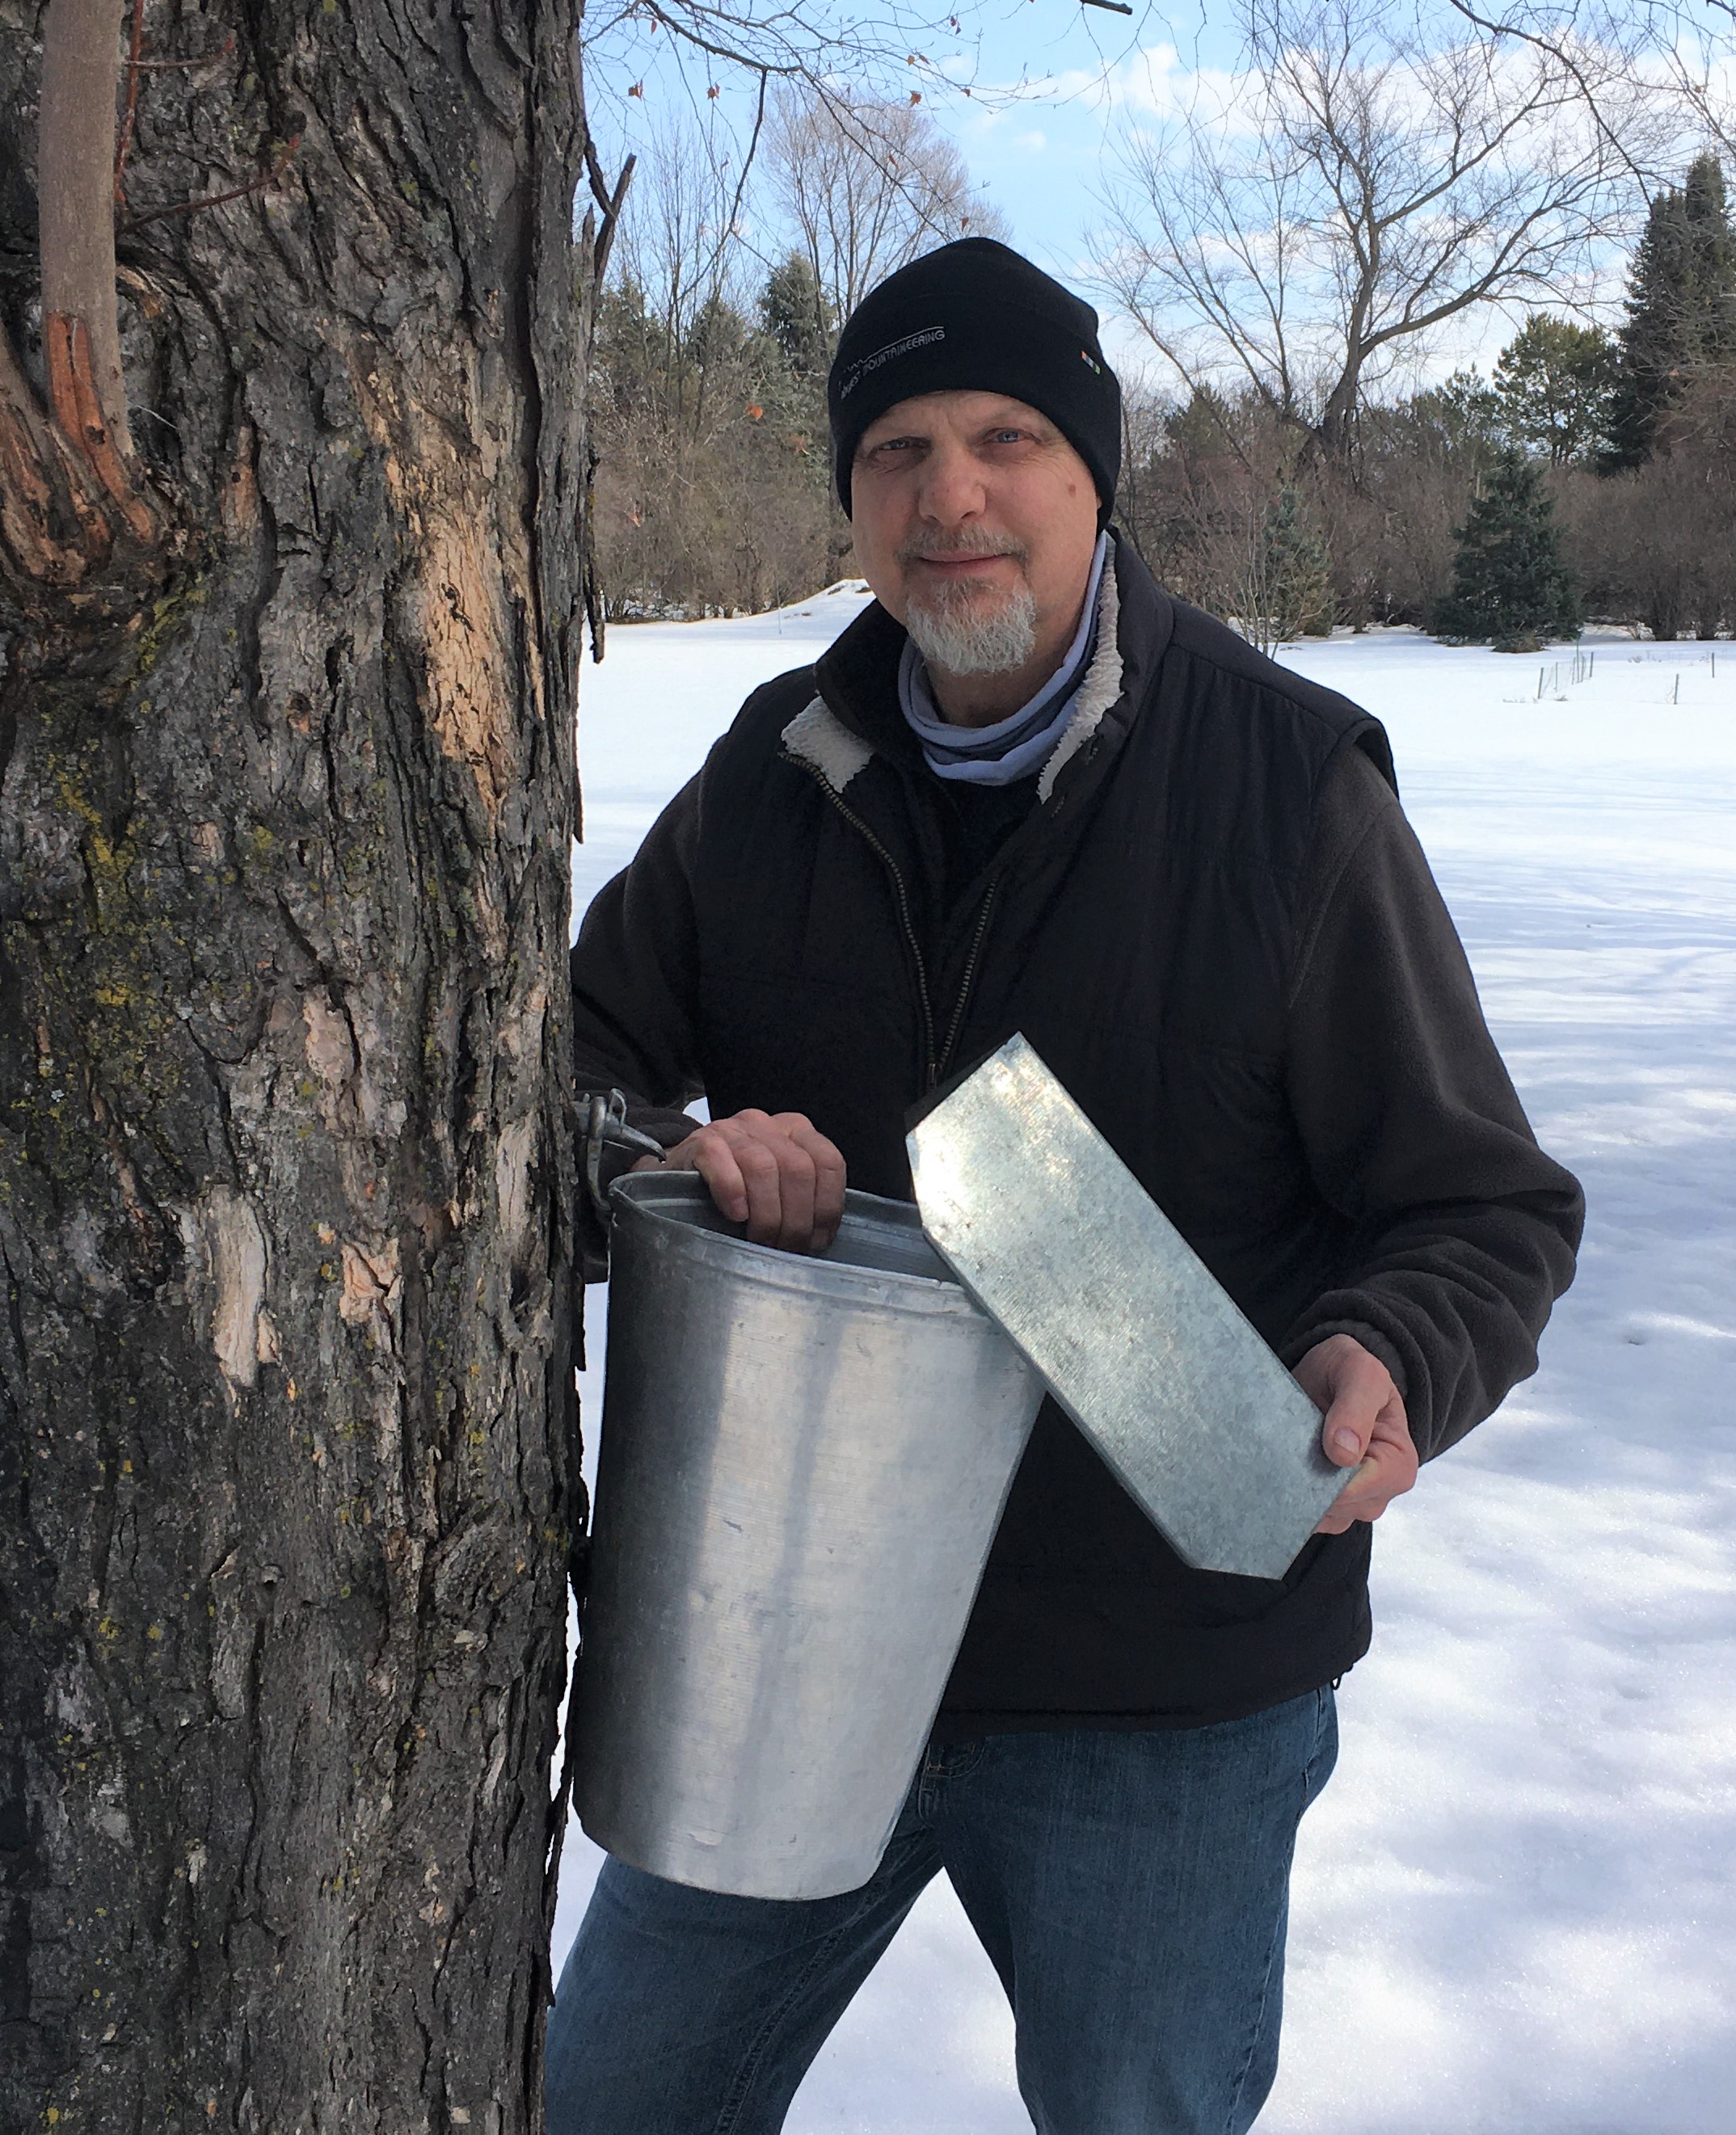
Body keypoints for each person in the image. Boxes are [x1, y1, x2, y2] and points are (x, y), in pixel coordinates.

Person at [548, 238, 1583, 2134]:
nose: (948, 494)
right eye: (896, 450)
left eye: (1005, 439)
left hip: (1159, 1682)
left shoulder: (1284, 786)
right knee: (601, 2106)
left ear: (1094, 476)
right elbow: (559, 1077)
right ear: (852, 499)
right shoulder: (774, 772)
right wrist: (672, 1163)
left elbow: (1478, 1206)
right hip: (781, 1642)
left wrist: (1388, 1350)